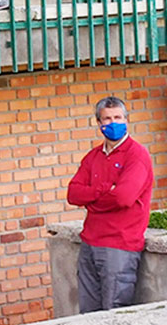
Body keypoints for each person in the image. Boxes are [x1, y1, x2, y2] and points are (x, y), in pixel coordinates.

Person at [65, 96, 153, 311]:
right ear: (98, 123)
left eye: (118, 117)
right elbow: (73, 194)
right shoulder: (93, 157)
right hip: (90, 243)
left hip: (120, 245)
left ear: (126, 120)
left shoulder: (137, 156)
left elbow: (123, 198)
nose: (113, 123)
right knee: (88, 311)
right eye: (107, 119)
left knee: (115, 311)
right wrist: (103, 191)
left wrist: (91, 201)